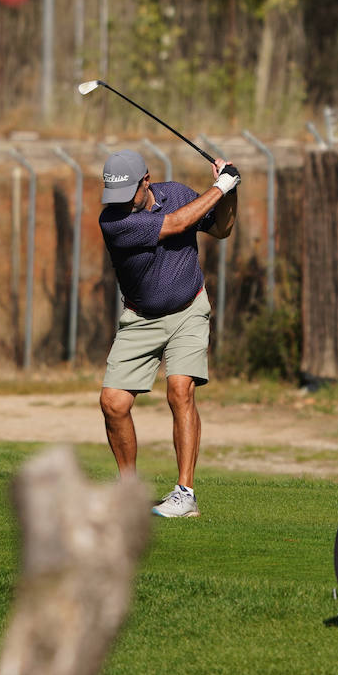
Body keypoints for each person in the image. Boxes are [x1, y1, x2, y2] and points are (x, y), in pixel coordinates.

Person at [98, 148, 239, 518]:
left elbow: (221, 228)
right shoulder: (113, 221)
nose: (121, 204)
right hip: (140, 317)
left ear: (147, 181)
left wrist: (230, 191)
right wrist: (220, 186)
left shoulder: (175, 193)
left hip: (188, 309)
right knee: (113, 403)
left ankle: (185, 493)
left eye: (128, 193)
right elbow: (176, 224)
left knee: (180, 390)